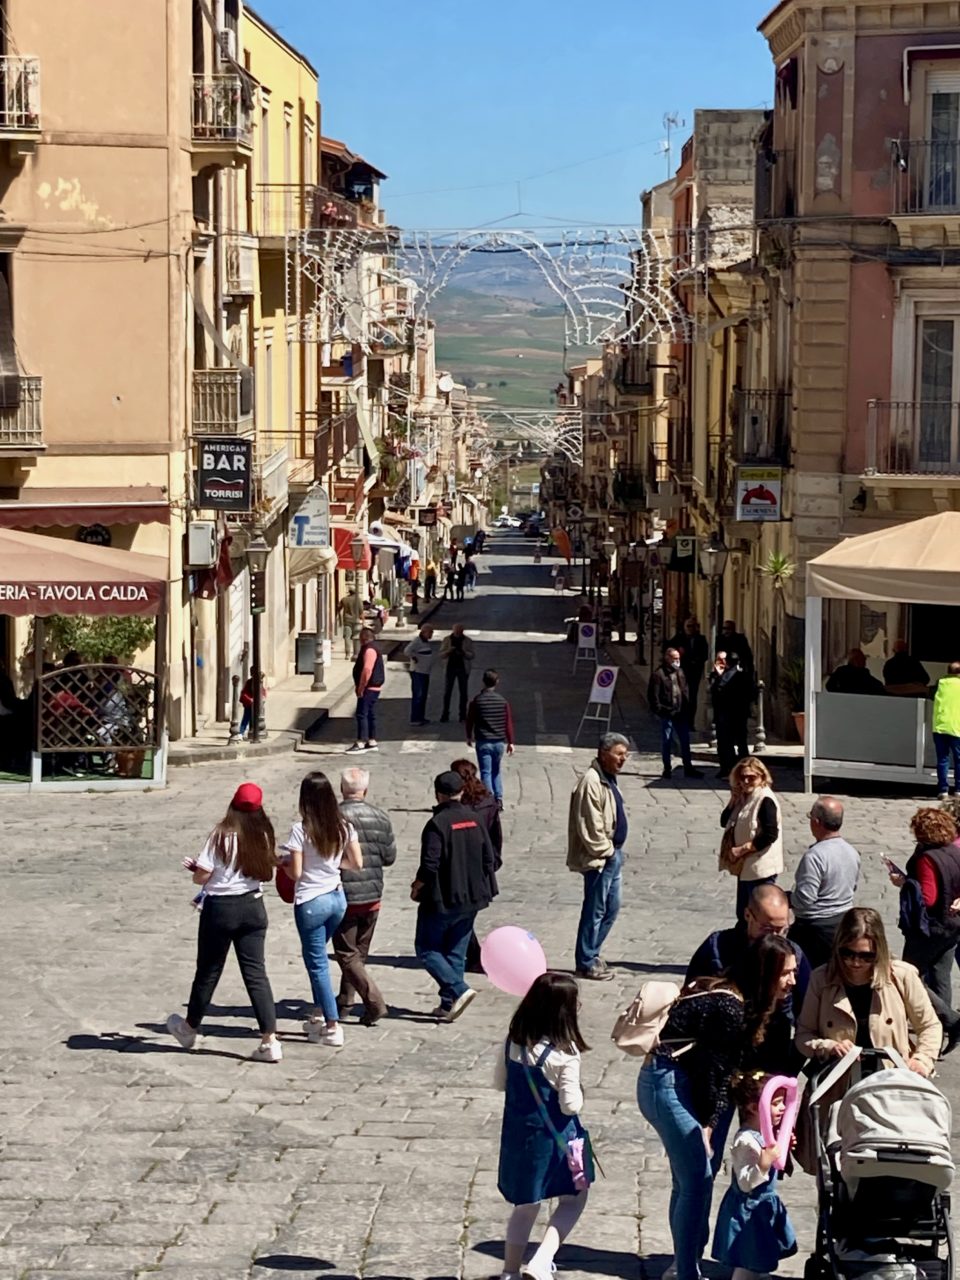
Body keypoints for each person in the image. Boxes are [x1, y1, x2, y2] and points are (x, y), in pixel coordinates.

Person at [637, 935, 793, 1280]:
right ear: (765, 974)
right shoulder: (730, 1008)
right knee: (696, 1180)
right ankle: (686, 1271)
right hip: (666, 1085)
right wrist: (708, 1125)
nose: (793, 981)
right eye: (786, 974)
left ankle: (683, 1265)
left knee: (688, 1180)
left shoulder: (737, 999)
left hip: (664, 1081)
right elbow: (716, 1072)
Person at [167, 782, 282, 1063]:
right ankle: (270, 1040)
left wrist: (197, 870)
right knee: (256, 973)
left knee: (208, 970)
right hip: (253, 906)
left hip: (221, 909)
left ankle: (189, 1026)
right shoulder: (263, 834)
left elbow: (203, 877)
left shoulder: (220, 835)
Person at [494, 972, 594, 1280]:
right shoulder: (565, 1054)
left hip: (519, 1136)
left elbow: (501, 1082)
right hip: (557, 1141)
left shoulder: (514, 1043)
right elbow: (570, 1105)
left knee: (526, 1204)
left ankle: (510, 1271)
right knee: (575, 1197)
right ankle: (542, 1260)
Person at [796, 907, 940, 1077]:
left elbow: (929, 1025)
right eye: (847, 953)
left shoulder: (901, 976)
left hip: (891, 1081)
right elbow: (803, 1035)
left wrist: (921, 1059)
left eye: (866, 956)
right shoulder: (822, 978)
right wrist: (828, 1046)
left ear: (879, 952)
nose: (855, 962)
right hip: (839, 1083)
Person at [281, 771, 363, 1048]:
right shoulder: (343, 826)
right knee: (317, 957)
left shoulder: (300, 830)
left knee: (316, 964)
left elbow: (297, 872)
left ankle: (332, 1024)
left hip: (311, 901)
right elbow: (357, 863)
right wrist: (335, 866)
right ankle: (318, 1013)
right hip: (337, 899)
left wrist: (282, 863)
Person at [412, 770, 497, 1020]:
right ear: (461, 791)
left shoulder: (437, 824)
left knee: (427, 948)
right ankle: (450, 1004)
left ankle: (459, 990)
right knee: (455, 953)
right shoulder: (475, 818)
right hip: (472, 898)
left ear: (438, 794)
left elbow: (430, 864)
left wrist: (417, 885)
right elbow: (488, 858)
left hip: (443, 899)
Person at [711, 1072, 797, 1280]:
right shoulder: (746, 1141)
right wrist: (764, 1162)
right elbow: (745, 1182)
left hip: (762, 1207)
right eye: (776, 1104)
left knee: (760, 1252)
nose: (782, 1108)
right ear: (752, 1107)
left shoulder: (766, 1135)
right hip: (749, 1211)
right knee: (748, 1259)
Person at [686, 883, 811, 1023]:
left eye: (782, 930)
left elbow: (806, 1009)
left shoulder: (794, 955)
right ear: (748, 915)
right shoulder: (717, 947)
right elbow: (690, 998)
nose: (775, 937)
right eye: (768, 928)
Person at [890, 807, 960, 1049]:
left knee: (908, 975)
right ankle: (942, 1034)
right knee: (942, 978)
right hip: (953, 925)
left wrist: (905, 882)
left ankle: (951, 1020)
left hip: (930, 928)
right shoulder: (954, 850)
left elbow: (928, 898)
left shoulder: (928, 858)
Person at [331, 767, 397, 1027]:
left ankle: (374, 1003)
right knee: (358, 953)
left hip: (345, 894)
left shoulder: (332, 817)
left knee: (346, 954)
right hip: (372, 895)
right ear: (365, 790)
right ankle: (346, 1002)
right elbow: (389, 857)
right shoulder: (380, 817)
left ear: (341, 789)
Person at [567, 732, 629, 981]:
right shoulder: (591, 782)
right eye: (619, 754)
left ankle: (592, 953)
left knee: (611, 908)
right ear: (604, 754)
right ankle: (585, 960)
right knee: (595, 909)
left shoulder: (608, 778)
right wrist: (607, 851)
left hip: (613, 855)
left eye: (626, 754)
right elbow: (589, 825)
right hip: (601, 858)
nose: (623, 759)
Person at [789, 796, 861, 969]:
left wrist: (788, 899)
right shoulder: (852, 851)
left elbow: (805, 899)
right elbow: (853, 886)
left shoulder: (815, 856)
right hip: (843, 921)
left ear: (816, 822)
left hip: (814, 930)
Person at [452, 756, 503, 974]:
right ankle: (471, 954)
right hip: (483, 863)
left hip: (463, 864)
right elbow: (496, 835)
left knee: (461, 912)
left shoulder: (459, 808)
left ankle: (472, 955)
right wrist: (494, 859)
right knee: (465, 912)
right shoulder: (489, 801)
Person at [720, 757, 783, 921]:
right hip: (747, 867)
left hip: (760, 867)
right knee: (744, 913)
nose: (746, 781)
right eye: (742, 777)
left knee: (757, 915)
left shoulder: (765, 799)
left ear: (762, 777)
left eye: (751, 777)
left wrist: (743, 849)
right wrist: (733, 801)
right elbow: (723, 822)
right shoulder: (745, 797)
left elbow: (770, 834)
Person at [648, 647, 703, 781]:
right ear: (667, 658)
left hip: (681, 712)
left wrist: (687, 705)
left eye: (678, 658)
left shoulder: (680, 672)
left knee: (685, 740)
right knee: (667, 741)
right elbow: (653, 695)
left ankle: (688, 767)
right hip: (667, 713)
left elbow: (684, 689)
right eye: (674, 658)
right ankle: (667, 768)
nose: (677, 661)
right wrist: (660, 709)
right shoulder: (659, 674)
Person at [466, 668, 516, 803]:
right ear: (497, 682)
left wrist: (469, 736)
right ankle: (499, 798)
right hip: (499, 742)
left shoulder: (477, 701)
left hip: (483, 741)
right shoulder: (502, 701)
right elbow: (508, 722)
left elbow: (470, 720)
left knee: (485, 772)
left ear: (483, 682)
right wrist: (511, 742)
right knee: (496, 771)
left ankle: (489, 799)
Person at [710, 652, 754, 778]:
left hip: (726, 715)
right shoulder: (745, 675)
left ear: (727, 662)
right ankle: (746, 768)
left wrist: (718, 677)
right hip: (741, 715)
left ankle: (727, 769)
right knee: (741, 743)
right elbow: (752, 693)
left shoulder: (725, 677)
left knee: (725, 743)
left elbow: (716, 692)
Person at [348, 627, 383, 754]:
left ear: (363, 638)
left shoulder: (369, 650)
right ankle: (372, 741)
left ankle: (361, 742)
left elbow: (367, 669)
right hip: (373, 687)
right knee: (370, 714)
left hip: (369, 687)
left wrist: (361, 687)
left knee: (362, 714)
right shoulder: (372, 648)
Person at [668, 616, 709, 725]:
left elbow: (705, 655)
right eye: (688, 626)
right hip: (682, 672)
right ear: (684, 627)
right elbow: (668, 648)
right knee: (681, 695)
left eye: (693, 626)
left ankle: (690, 722)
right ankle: (680, 719)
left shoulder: (701, 639)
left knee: (692, 697)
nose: (690, 628)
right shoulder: (679, 638)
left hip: (695, 672)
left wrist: (696, 661)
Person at [933, 661, 960, 800]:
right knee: (959, 760)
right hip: (957, 727)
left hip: (939, 727)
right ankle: (958, 790)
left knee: (942, 759)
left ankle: (943, 790)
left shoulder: (940, 683)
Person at [403, 624, 437, 727]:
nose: (431, 634)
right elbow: (407, 651)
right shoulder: (417, 641)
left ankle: (421, 717)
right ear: (424, 632)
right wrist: (414, 657)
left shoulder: (425, 642)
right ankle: (415, 718)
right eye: (430, 632)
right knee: (418, 695)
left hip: (425, 672)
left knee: (423, 696)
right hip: (418, 672)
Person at [440, 623, 474, 723]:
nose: (458, 633)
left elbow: (472, 655)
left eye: (460, 631)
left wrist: (463, 652)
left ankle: (462, 715)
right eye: (456, 631)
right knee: (447, 693)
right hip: (450, 668)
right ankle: (445, 714)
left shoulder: (467, 641)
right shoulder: (447, 640)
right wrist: (449, 651)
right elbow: (441, 654)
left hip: (462, 669)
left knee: (463, 693)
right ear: (453, 630)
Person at [337, 588, 363, 659]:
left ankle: (347, 654)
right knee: (356, 638)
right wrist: (363, 621)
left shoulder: (344, 599)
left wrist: (339, 616)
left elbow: (338, 608)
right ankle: (356, 652)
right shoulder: (358, 600)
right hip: (356, 621)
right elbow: (361, 612)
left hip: (347, 620)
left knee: (347, 637)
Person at [239, 670, 265, 739]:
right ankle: (241, 733)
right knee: (246, 718)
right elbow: (244, 693)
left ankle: (254, 732)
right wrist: (250, 699)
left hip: (256, 704)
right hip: (249, 704)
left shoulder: (259, 682)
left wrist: (263, 697)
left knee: (256, 719)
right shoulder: (249, 682)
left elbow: (263, 691)